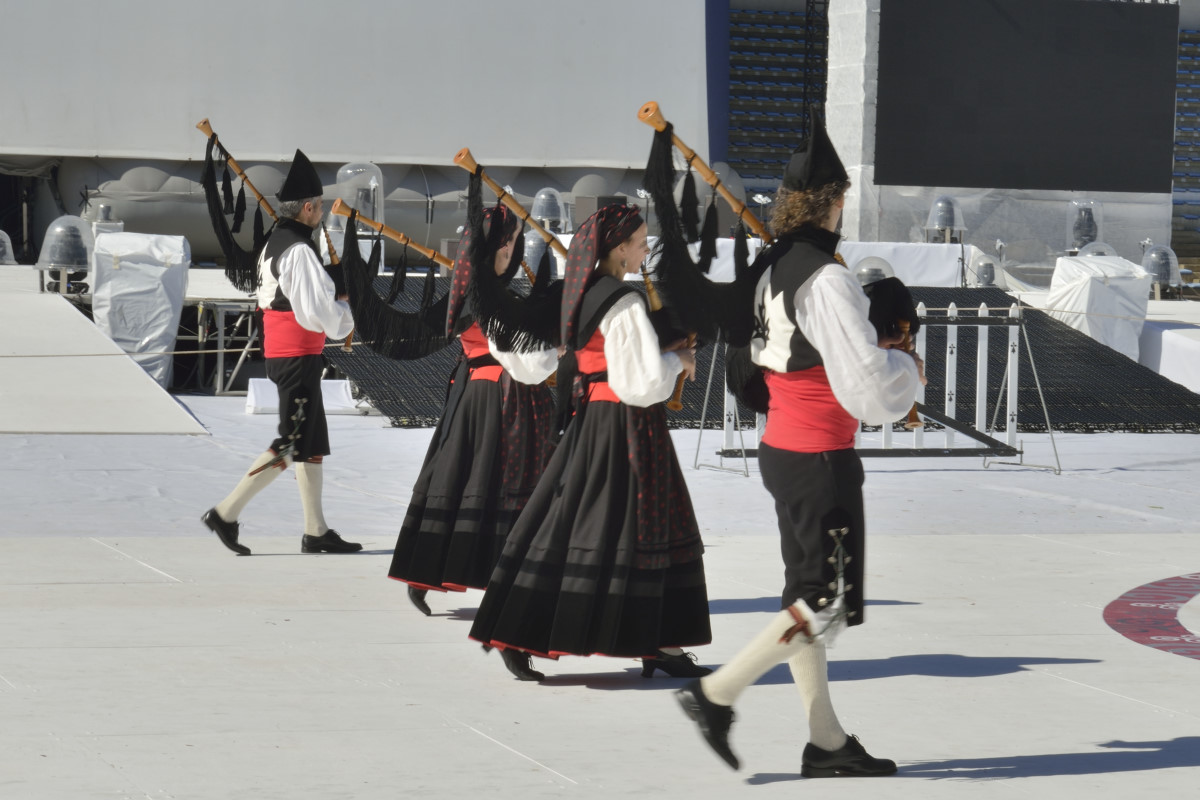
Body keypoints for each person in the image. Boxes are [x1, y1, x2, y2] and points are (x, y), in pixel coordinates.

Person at [674, 112, 921, 776]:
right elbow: (867, 383)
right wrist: (908, 372)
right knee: (824, 601)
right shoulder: (826, 277)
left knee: (808, 598)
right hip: (818, 458)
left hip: (786, 450)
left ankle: (828, 742)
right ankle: (714, 694)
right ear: (834, 201)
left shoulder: (773, 263)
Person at [469, 202, 713, 682]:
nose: (646, 248)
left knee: (595, 523)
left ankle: (655, 642)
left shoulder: (580, 294)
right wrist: (678, 364)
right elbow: (638, 381)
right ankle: (520, 631)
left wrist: (664, 346)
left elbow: (564, 361)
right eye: (641, 241)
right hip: (625, 425)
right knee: (613, 524)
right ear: (619, 249)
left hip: (595, 421)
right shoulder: (622, 303)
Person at [388, 200, 557, 619]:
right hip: (503, 396)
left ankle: (430, 573)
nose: (513, 249)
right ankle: (504, 580)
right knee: (500, 484)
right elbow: (520, 355)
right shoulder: (486, 294)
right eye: (509, 240)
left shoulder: (476, 287)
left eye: (516, 241)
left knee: (465, 478)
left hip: (481, 395)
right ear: (494, 246)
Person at [202, 149, 360, 556]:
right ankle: (225, 512)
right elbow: (319, 311)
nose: (322, 213)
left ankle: (316, 530)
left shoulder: (277, 242)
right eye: (320, 207)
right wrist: (348, 314)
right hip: (296, 357)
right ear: (308, 208)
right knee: (290, 443)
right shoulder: (299, 252)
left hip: (290, 355)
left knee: (309, 443)